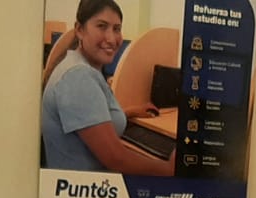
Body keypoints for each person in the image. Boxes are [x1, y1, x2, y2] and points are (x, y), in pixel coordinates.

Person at [40, 0, 173, 176]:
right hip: (84, 189)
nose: (111, 38)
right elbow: (116, 158)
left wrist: (129, 112)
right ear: (79, 30)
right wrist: (169, 168)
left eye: (116, 29)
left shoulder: (75, 66)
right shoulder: (78, 77)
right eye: (102, 26)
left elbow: (88, 118)